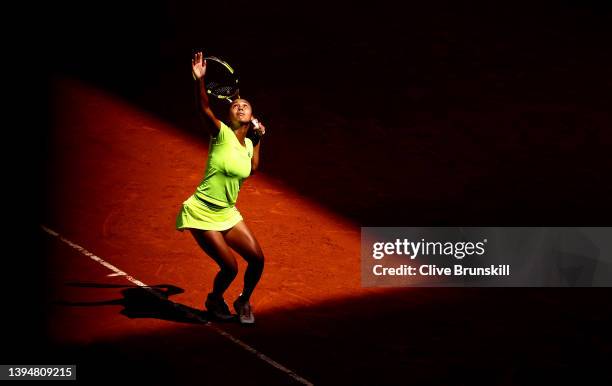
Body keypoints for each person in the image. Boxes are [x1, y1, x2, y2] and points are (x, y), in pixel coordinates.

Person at [176, 51, 266, 324]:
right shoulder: (221, 133)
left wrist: (259, 138)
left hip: (227, 212)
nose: (240, 106)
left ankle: (243, 300)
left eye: (245, 105)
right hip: (202, 211)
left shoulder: (248, 144)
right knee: (230, 266)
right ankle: (215, 299)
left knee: (257, 259)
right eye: (236, 105)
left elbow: (252, 169)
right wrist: (199, 81)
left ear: (251, 117)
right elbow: (204, 108)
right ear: (229, 113)